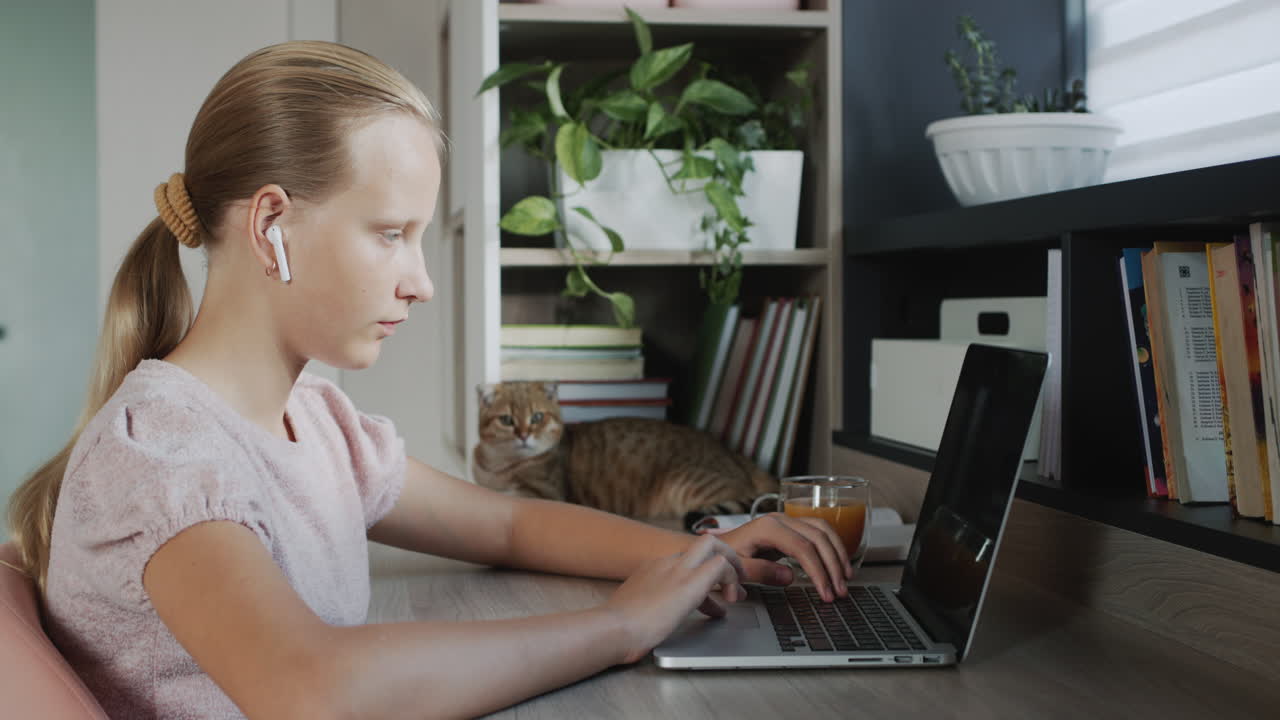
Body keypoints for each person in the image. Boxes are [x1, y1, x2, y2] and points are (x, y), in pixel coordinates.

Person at [4, 41, 852, 719]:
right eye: (389, 234)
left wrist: (703, 551)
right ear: (272, 227)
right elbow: (313, 690)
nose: (421, 281)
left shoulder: (315, 420)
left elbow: (509, 528)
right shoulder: (165, 457)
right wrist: (622, 625)